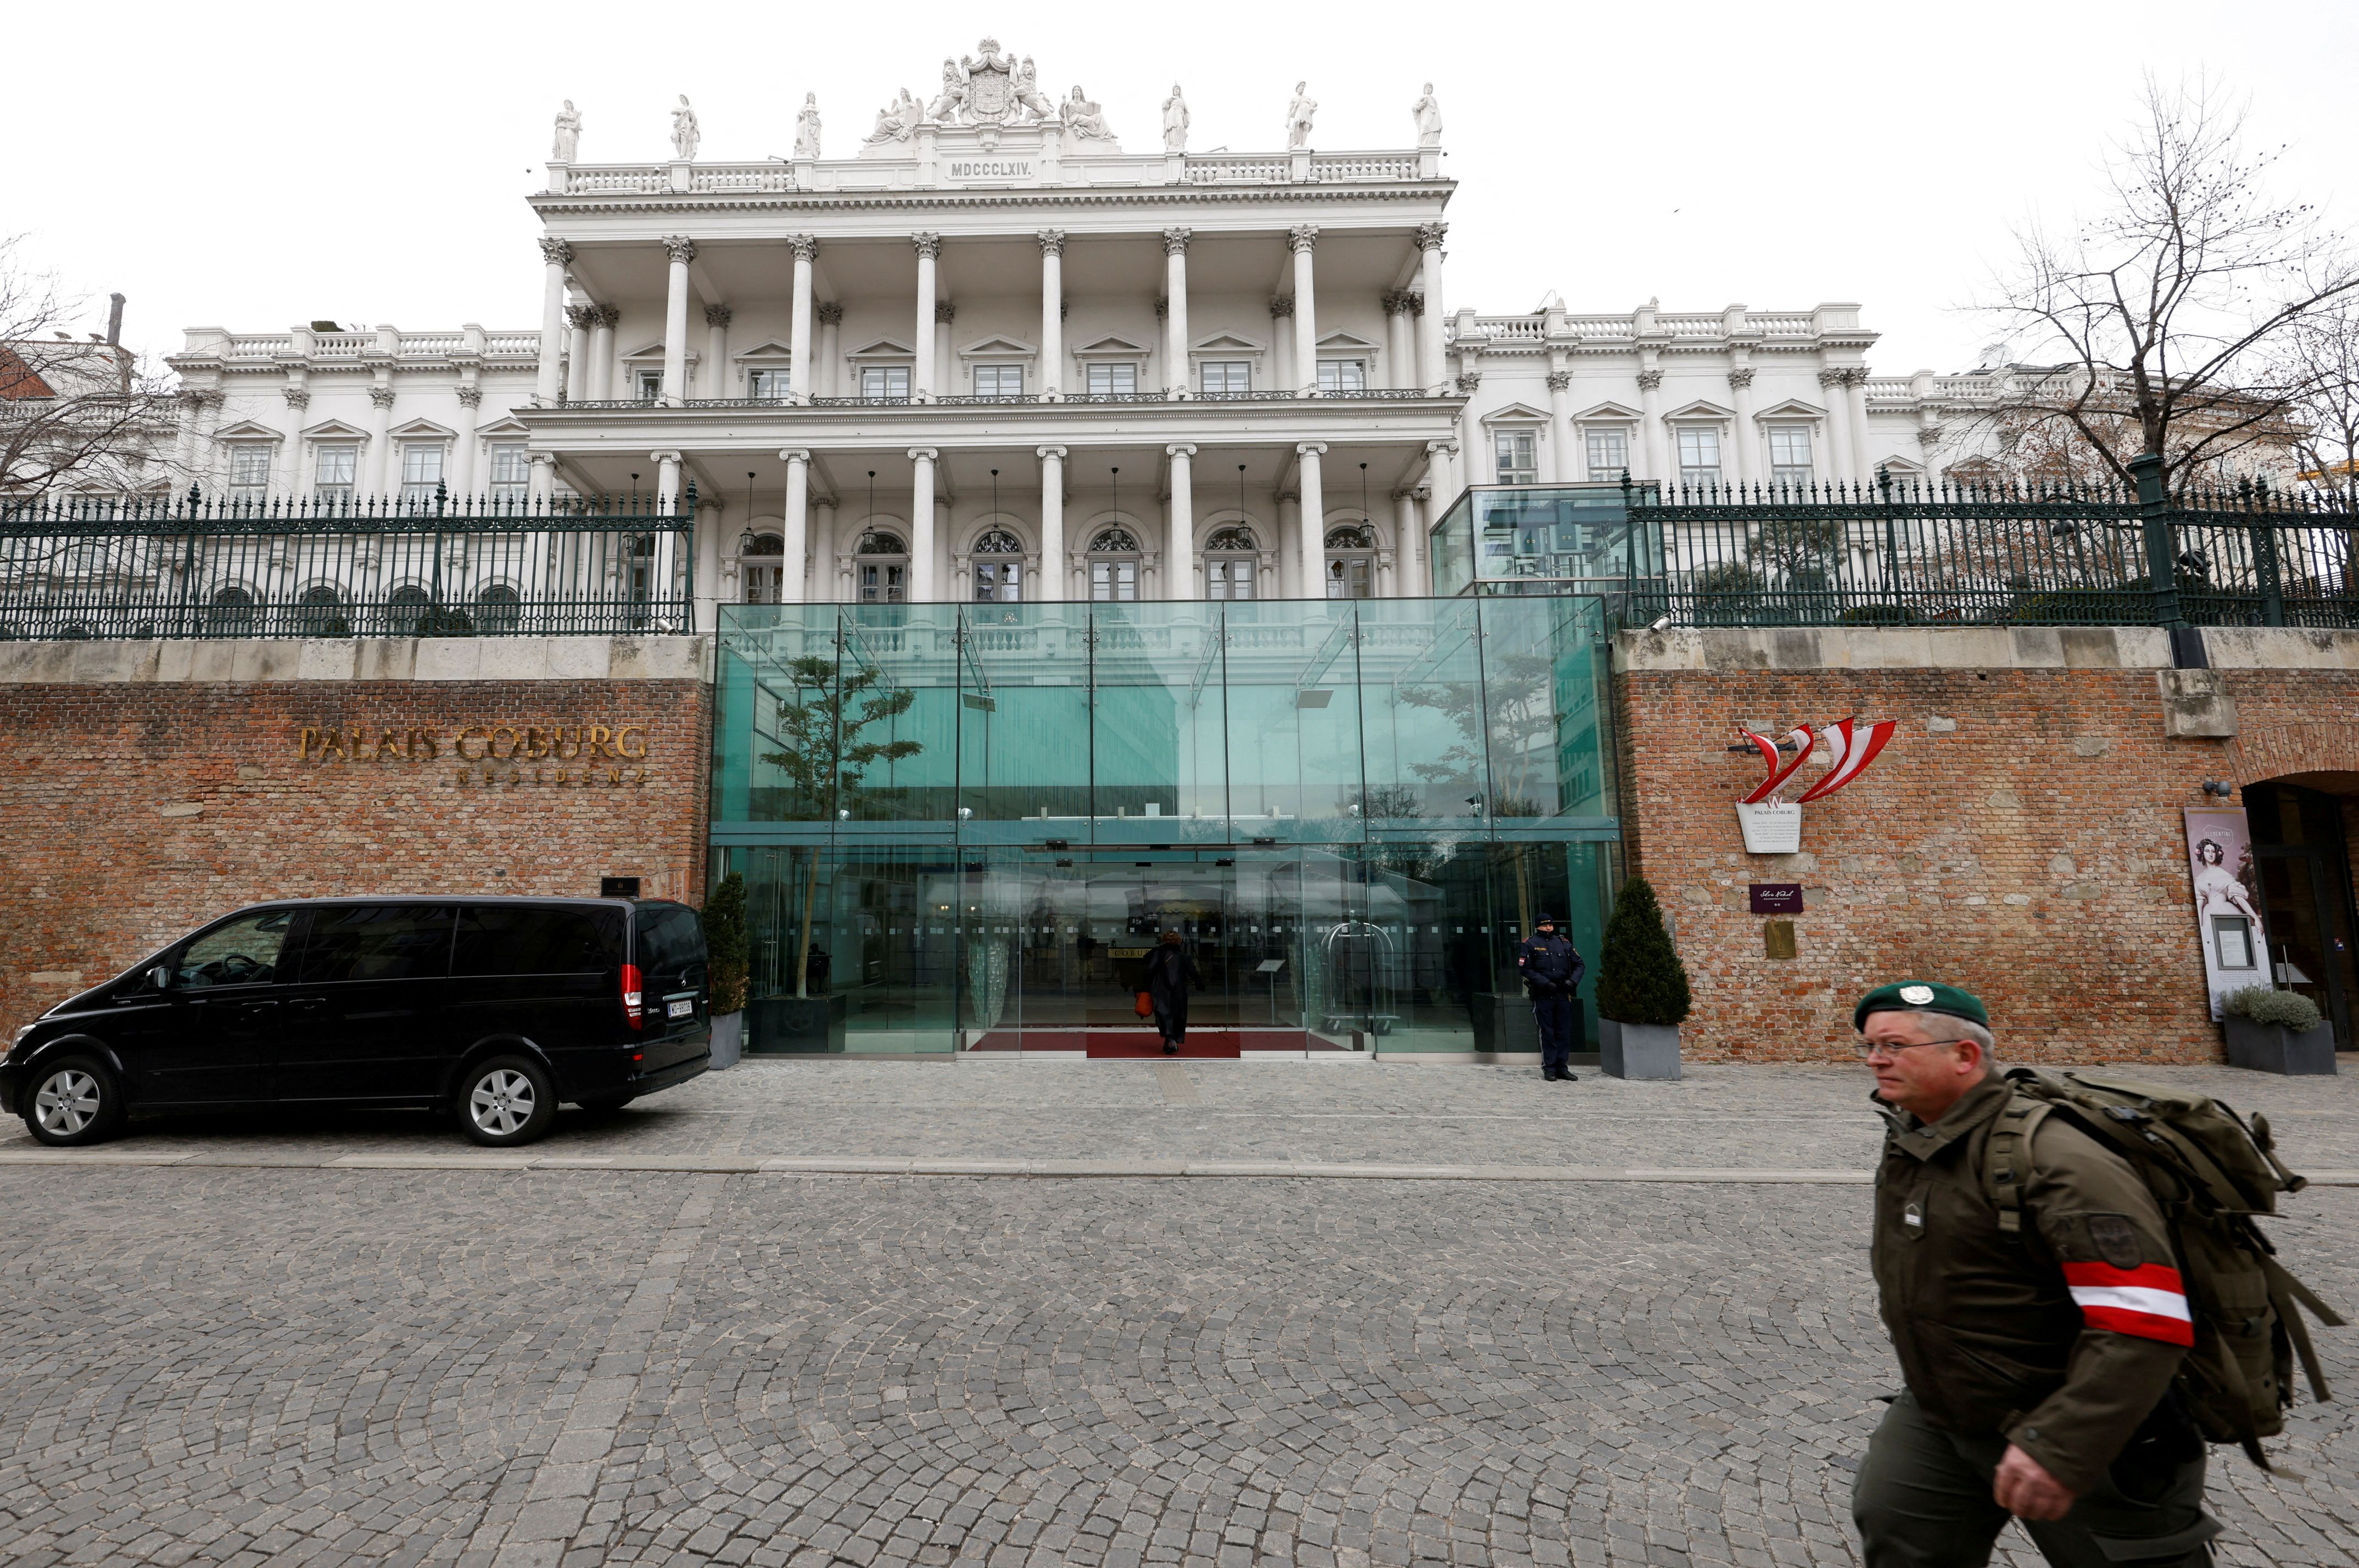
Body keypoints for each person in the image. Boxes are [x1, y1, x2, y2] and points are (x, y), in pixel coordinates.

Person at [1849, 981, 2218, 1568]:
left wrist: (2063, 1444)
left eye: (1894, 1046)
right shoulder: (1915, 1139)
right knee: (1895, 1526)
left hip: (2076, 1419)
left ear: (1965, 1056)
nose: (1875, 1060)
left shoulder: (2058, 1158)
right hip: (1945, 1409)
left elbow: (2144, 1319)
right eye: (1869, 1047)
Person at [1514, 915, 1584, 1082]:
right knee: (1548, 1032)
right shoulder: (1530, 944)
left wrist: (1572, 981)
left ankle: (1562, 1068)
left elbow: (1579, 964)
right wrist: (1545, 984)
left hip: (1563, 993)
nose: (1549, 928)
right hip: (1544, 994)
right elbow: (1525, 969)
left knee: (1563, 1032)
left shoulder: (1563, 943)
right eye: (1545, 926)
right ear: (1539, 927)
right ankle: (1550, 1068)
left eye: (1551, 926)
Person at [1144, 929, 1201, 1055]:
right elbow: (1194, 973)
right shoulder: (1184, 957)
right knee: (1177, 1015)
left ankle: (1171, 1041)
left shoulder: (1158, 954)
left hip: (1160, 989)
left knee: (1163, 1015)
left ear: (1164, 940)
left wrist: (1145, 986)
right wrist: (1199, 984)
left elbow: (1149, 970)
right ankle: (1171, 1041)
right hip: (1179, 989)